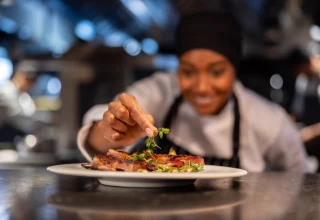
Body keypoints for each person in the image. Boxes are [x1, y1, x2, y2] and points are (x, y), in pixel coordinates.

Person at [77, 12, 309, 172]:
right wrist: (110, 129)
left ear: (234, 70)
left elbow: (300, 178)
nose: (201, 87)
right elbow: (98, 139)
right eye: (188, 72)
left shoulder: (267, 119)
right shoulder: (162, 90)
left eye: (216, 72)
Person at [0, 63, 37, 141]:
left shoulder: (24, 95)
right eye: (28, 81)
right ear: (20, 76)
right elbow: (14, 114)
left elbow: (31, 111)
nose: (29, 86)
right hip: (4, 134)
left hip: (17, 135)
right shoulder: (6, 90)